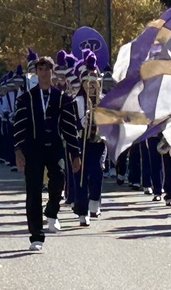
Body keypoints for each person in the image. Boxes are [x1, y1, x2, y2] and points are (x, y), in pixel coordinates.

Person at [13, 55, 77, 251]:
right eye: (40, 69)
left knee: (58, 180)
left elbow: (69, 127)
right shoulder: (26, 98)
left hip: (55, 147)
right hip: (33, 149)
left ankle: (52, 210)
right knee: (33, 192)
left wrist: (75, 153)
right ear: (36, 72)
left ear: (52, 72)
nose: (44, 73)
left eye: (47, 69)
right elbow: (20, 125)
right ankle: (36, 236)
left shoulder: (62, 98)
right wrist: (18, 150)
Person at [66, 53, 106, 226]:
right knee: (81, 177)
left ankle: (94, 203)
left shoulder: (104, 101)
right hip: (80, 143)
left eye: (94, 82)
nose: (91, 86)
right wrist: (82, 122)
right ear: (82, 83)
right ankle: (82, 211)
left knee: (97, 172)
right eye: (87, 82)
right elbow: (71, 124)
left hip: (97, 143)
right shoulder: (76, 101)